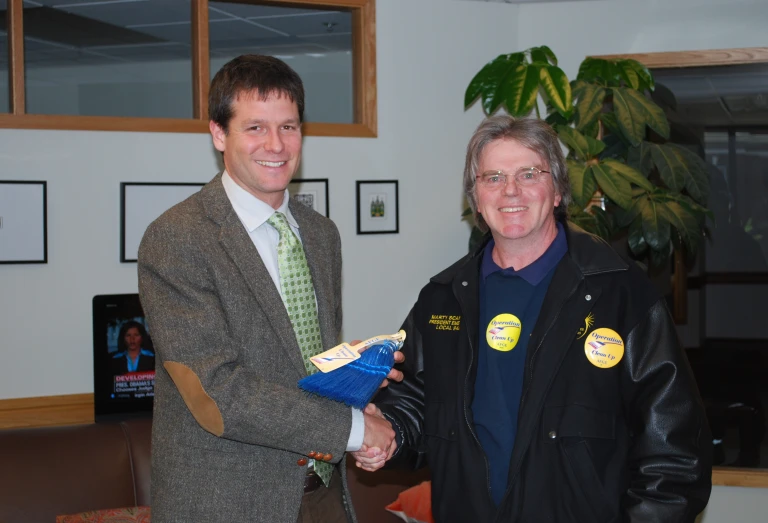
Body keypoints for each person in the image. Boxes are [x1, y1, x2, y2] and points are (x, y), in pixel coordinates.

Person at [358, 115, 713, 522]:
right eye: (492, 177)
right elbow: (414, 403)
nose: (510, 190)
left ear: (558, 189)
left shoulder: (621, 293)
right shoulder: (442, 300)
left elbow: (675, 451)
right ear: (475, 197)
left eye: (528, 174)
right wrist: (387, 433)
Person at [138, 54, 399, 523]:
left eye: (289, 126)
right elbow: (217, 392)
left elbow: (302, 363)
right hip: (229, 501)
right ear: (220, 134)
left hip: (321, 489)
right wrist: (356, 430)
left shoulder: (321, 235)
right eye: (255, 127)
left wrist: (357, 375)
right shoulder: (177, 238)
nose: (276, 145)